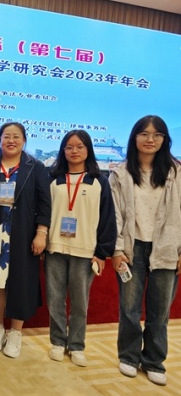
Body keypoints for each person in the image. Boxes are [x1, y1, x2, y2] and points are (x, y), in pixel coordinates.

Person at [109, 115, 181, 386]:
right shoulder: (120, 173)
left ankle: (153, 361)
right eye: (144, 134)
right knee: (129, 308)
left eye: (157, 134)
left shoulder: (176, 173)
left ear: (165, 139)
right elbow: (115, 215)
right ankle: (128, 357)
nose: (151, 139)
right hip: (132, 249)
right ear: (134, 137)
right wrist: (117, 249)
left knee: (160, 311)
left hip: (166, 248)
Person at [0, 122, 51, 359]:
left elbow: (44, 203)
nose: (11, 140)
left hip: (23, 233)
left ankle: (16, 332)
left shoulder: (35, 167)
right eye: (6, 136)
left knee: (20, 281)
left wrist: (41, 232)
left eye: (16, 136)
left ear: (24, 140)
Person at [46, 130, 116, 367]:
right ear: (63, 151)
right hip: (55, 248)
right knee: (55, 299)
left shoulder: (99, 182)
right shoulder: (53, 179)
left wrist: (102, 252)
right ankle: (57, 341)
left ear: (88, 150)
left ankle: (76, 345)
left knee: (79, 303)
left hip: (85, 251)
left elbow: (107, 218)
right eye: (69, 147)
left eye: (79, 146)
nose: (74, 151)